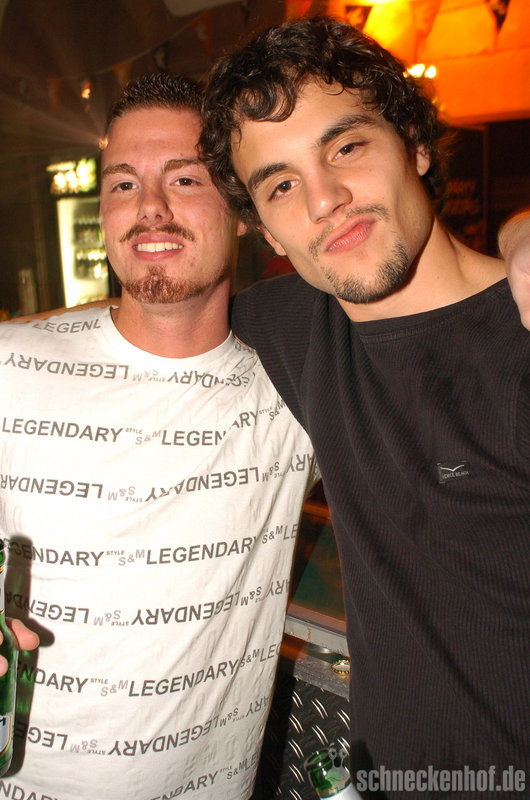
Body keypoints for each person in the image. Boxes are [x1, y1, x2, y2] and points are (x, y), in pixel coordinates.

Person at [200, 17, 530, 798]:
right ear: (263, 227)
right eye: (282, 184)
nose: (326, 200)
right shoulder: (285, 324)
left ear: (415, 144)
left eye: (346, 147)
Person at [0, 72, 317, 800]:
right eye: (123, 184)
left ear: (241, 210)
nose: (150, 208)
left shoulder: (295, 385)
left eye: (184, 178)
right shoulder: (12, 364)